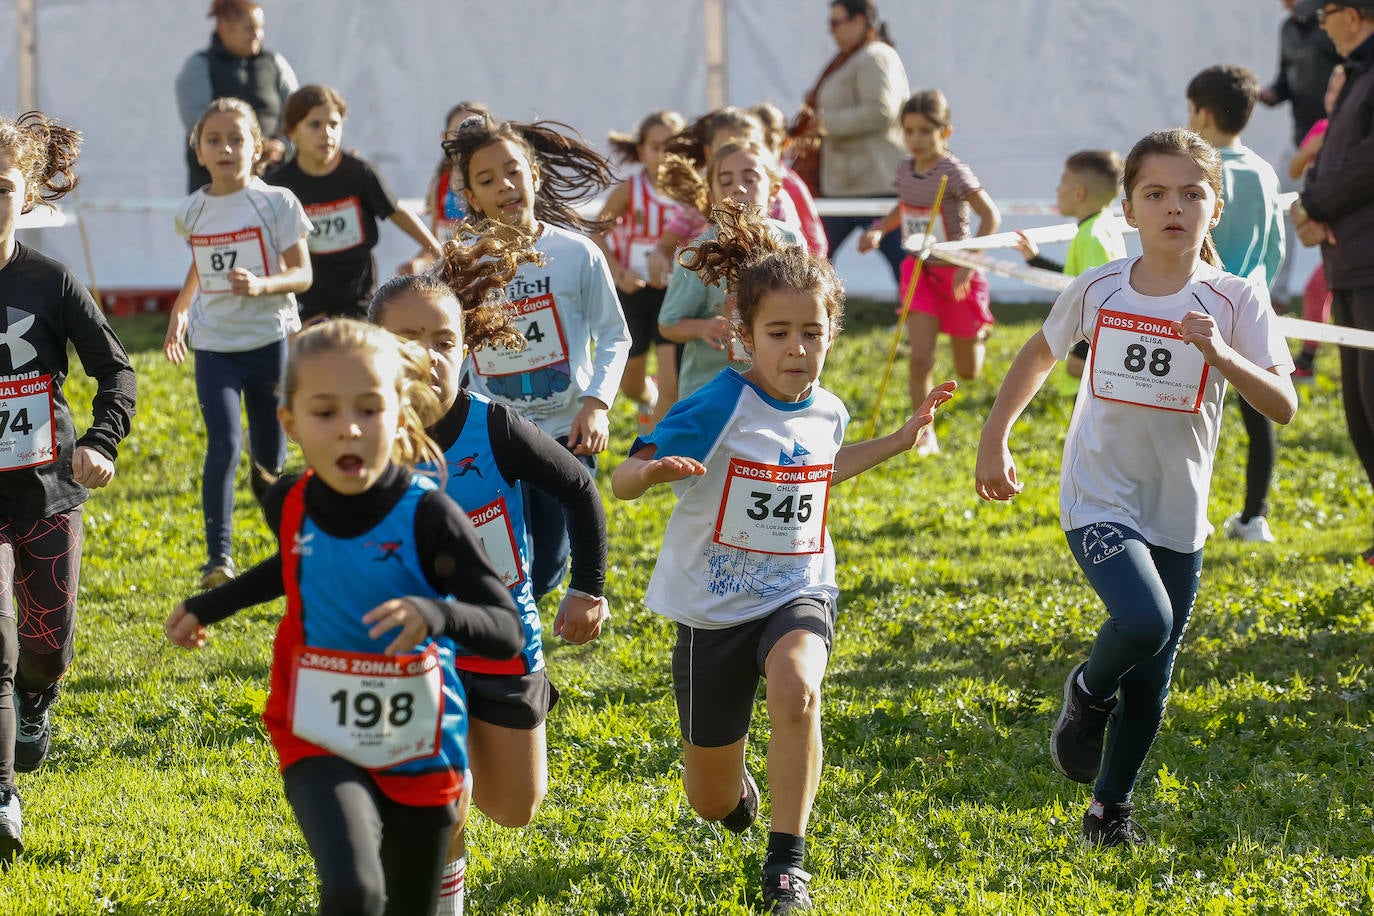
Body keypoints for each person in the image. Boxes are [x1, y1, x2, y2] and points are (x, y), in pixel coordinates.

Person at [613, 204, 954, 914]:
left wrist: (899, 438)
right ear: (744, 336)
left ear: (832, 332)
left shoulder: (827, 407)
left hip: (798, 588)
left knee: (798, 688)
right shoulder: (718, 405)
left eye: (812, 332)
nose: (797, 348)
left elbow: (822, 468)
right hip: (713, 608)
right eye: (779, 333)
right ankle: (736, 798)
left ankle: (786, 865)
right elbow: (621, 477)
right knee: (709, 800)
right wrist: (652, 474)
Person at [975, 128, 1297, 849]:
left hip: (1177, 512)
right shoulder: (1099, 286)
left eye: (1192, 193)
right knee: (1144, 621)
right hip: (1098, 496)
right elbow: (1037, 352)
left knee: (1151, 683)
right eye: (1156, 193)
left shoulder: (1235, 297)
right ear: (1128, 207)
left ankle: (1107, 811)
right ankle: (1087, 693)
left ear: (1215, 207)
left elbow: (1282, 403)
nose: (1173, 207)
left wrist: (1219, 352)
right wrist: (994, 437)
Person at [165, 319, 524, 916]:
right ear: (290, 422)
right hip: (319, 730)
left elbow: (504, 625)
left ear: (399, 413)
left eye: (369, 409)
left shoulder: (430, 514)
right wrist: (208, 606)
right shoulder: (291, 501)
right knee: (355, 892)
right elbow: (295, 564)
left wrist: (435, 612)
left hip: (419, 741)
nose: (349, 428)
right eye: (325, 413)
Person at [369, 232, 611, 916]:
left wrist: (587, 586)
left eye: (443, 340)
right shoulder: (364, 435)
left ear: (466, 346)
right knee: (441, 789)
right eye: (407, 339)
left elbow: (580, 489)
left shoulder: (494, 425)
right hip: (406, 647)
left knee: (515, 807)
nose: (428, 355)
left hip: (499, 637)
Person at [0, 111, 137, 859]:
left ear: (24, 196)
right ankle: (2, 797)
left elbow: (115, 368)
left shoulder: (48, 282)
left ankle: (38, 694)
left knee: (44, 643)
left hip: (47, 491)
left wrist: (100, 440)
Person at [440, 117, 631, 601]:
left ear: (535, 175)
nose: (504, 186)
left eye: (513, 172)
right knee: (499, 556)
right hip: (491, 433)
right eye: (487, 180)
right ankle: (501, 636)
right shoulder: (461, 265)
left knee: (546, 568)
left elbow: (615, 335)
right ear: (471, 198)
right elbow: (426, 323)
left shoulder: (577, 254)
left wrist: (597, 404)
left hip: (566, 431)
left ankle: (526, 602)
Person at [164, 98, 313, 589]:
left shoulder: (277, 203)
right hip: (214, 347)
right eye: (213, 140)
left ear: (256, 149)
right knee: (224, 444)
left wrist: (263, 284)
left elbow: (303, 273)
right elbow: (202, 262)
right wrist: (181, 309)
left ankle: (287, 554)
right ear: (199, 151)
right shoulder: (191, 210)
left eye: (236, 139)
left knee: (267, 462)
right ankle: (218, 560)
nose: (225, 147)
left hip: (268, 342)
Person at [859, 89, 1000, 455]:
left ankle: (977, 335)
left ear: (945, 132)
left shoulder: (954, 171)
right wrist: (879, 228)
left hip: (957, 273)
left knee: (968, 371)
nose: (916, 140)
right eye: (908, 131)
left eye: (924, 131)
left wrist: (968, 262)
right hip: (919, 271)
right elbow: (905, 207)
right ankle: (923, 434)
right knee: (920, 357)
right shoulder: (906, 168)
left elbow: (990, 216)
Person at [1187, 65, 1287, 544]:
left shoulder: (1200, 172)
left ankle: (1192, 513)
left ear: (1201, 113)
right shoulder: (1266, 172)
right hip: (1254, 305)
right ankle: (1255, 516)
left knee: (1190, 411)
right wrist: (1259, 291)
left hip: (1200, 306)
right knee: (1258, 413)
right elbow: (1276, 249)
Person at [1291, 0, 1374, 566]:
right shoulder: (1357, 74)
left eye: (1327, 11)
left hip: (1369, 264)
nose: (1319, 23)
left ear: (1357, 12)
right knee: (1360, 410)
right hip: (1347, 265)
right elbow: (1325, 155)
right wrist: (1308, 205)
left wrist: (1315, 202)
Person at [267, 85, 443, 323]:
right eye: (314, 125)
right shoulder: (279, 184)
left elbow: (396, 210)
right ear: (291, 132)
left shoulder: (359, 173)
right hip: (305, 300)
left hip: (357, 298)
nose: (326, 133)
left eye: (333, 124)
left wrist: (436, 250)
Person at [657, 140, 805, 402]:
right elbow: (669, 325)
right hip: (713, 395)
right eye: (726, 181)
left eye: (750, 178)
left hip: (780, 390)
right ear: (712, 196)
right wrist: (703, 327)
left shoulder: (791, 240)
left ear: (774, 190)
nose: (738, 187)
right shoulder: (698, 253)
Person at [796, 0, 909, 283]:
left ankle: (918, 324)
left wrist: (824, 123)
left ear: (860, 21)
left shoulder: (876, 57)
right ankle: (814, 323)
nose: (831, 31)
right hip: (842, 188)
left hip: (877, 187)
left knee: (907, 268)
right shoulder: (851, 59)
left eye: (836, 22)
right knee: (812, 261)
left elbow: (882, 111)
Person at [593, 110, 687, 433]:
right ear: (641, 151)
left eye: (674, 147)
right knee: (631, 384)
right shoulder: (629, 190)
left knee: (672, 380)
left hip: (674, 293)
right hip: (632, 291)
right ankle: (650, 398)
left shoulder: (694, 193)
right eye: (657, 147)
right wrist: (619, 273)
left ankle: (659, 443)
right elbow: (595, 232)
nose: (665, 156)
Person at [644, 108, 800, 289]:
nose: (735, 155)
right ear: (709, 153)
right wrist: (659, 258)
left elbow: (795, 249)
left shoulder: (776, 200)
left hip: (764, 289)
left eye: (745, 144)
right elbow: (665, 246)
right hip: (709, 292)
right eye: (726, 147)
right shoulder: (697, 201)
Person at [1015, 150, 1127, 382]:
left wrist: (1081, 353)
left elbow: (1101, 300)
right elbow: (1078, 281)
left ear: (1079, 193)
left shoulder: (1093, 236)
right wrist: (1035, 259)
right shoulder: (1101, 225)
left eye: (1063, 181)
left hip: (1091, 371)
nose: (1058, 189)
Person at [174, 0, 298, 193]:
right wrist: (243, 148)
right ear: (225, 28)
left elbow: (297, 115)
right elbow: (198, 125)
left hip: (273, 183)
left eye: (260, 28)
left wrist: (283, 147)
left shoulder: (275, 63)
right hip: (216, 188)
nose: (258, 35)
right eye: (250, 29)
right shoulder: (198, 66)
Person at [1287, 65, 1345, 380]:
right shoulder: (1321, 129)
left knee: (1322, 289)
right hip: (1329, 232)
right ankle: (1308, 360)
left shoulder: (1358, 133)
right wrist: (1311, 149)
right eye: (1330, 89)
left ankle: (1310, 360)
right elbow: (1295, 170)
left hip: (1351, 235)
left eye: (1341, 89)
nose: (1333, 97)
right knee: (1318, 289)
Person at [753, 102, 828, 258]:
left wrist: (803, 271)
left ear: (784, 143)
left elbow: (816, 241)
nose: (762, 154)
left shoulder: (791, 185)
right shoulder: (740, 181)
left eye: (769, 144)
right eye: (756, 145)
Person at [423, 102, 493, 246]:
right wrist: (416, 263)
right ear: (445, 137)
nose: (468, 139)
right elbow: (434, 246)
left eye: (475, 130)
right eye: (460, 131)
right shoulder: (440, 185)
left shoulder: (499, 182)